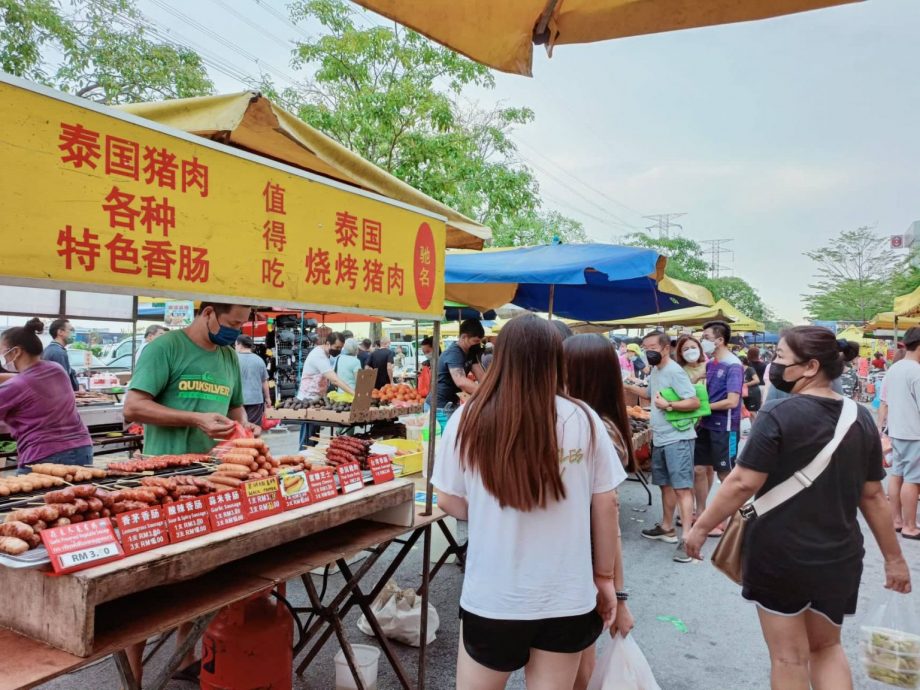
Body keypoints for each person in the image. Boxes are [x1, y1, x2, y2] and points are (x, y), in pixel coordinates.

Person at [685, 327, 912, 690]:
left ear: (809, 367)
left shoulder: (777, 414)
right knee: (827, 648)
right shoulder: (860, 417)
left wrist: (699, 527)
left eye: (779, 358)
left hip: (779, 555)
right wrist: (894, 558)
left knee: (788, 657)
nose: (773, 366)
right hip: (838, 556)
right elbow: (873, 497)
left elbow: (742, 482)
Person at [432, 314, 626, 690]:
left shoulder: (468, 418)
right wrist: (604, 578)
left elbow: (448, 499)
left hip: (494, 597)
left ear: (499, 357)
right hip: (567, 596)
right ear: (557, 358)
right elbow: (608, 504)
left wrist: (492, 513)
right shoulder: (583, 418)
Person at [123, 302, 259, 683]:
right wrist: (194, 418)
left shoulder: (230, 356)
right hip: (160, 481)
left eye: (240, 325)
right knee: (147, 582)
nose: (235, 331)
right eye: (231, 323)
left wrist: (244, 432)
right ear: (208, 313)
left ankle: (185, 658)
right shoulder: (164, 348)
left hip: (213, 480)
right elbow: (133, 407)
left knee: (201, 572)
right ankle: (131, 675)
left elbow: (236, 410)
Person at [563, 334, 636, 689]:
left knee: (579, 662)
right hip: (581, 563)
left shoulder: (595, 430)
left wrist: (617, 593)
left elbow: (608, 516)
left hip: (585, 564)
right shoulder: (589, 422)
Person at [626, 331, 700, 563]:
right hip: (660, 437)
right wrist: (625, 385)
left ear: (666, 348)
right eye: (645, 346)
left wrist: (668, 405)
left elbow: (693, 401)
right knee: (665, 485)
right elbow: (649, 394)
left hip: (678, 438)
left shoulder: (675, 371)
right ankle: (667, 527)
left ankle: (687, 538)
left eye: (652, 347)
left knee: (682, 488)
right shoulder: (657, 371)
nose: (648, 351)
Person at [0, 318, 93, 473]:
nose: (2, 357)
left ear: (16, 351)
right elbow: (27, 380)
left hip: (44, 457)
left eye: (3, 352)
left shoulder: (18, 385)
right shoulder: (56, 369)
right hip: (82, 449)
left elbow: (20, 383)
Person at [694, 321, 744, 534]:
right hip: (705, 424)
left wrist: (701, 408)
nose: (702, 341)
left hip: (724, 427)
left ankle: (739, 521)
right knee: (698, 469)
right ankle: (703, 513)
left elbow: (732, 402)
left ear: (720, 340)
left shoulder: (734, 365)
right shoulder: (711, 363)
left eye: (706, 337)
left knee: (725, 474)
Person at [878, 327, 920, 540]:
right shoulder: (917, 372)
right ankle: (910, 526)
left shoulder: (895, 369)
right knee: (913, 479)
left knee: (898, 475)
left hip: (897, 431)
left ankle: (897, 520)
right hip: (915, 432)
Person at [435, 319, 486, 415]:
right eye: (475, 341)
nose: (477, 345)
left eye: (479, 342)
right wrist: (486, 391)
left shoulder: (471, 352)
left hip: (453, 403)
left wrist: (492, 387)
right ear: (464, 337)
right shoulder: (454, 353)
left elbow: (481, 376)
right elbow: (460, 381)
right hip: (439, 406)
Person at [235, 335, 269, 426]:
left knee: (238, 429)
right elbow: (264, 381)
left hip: (237, 401)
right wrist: (268, 398)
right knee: (253, 429)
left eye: (235, 345)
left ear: (240, 345)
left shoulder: (233, 359)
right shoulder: (259, 360)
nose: (235, 347)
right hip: (256, 400)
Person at [41, 317, 80, 391]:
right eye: (71, 330)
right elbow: (63, 382)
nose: (74, 333)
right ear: (60, 332)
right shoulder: (58, 353)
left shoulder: (49, 349)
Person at [418, 336, 435, 401]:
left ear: (435, 348)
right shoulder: (426, 363)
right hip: (427, 395)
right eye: (424, 353)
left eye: (428, 351)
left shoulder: (442, 361)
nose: (426, 354)